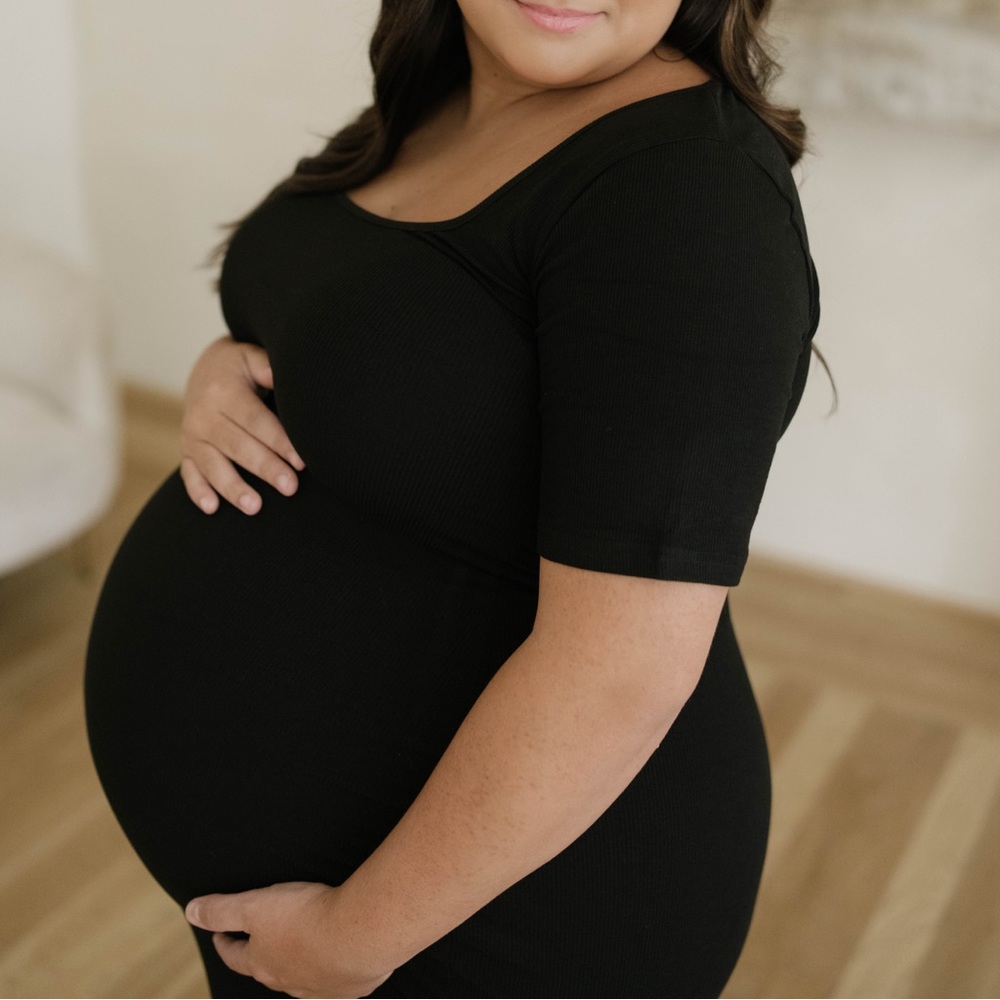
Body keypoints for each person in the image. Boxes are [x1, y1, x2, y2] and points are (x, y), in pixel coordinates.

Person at [85, 1, 820, 996]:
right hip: (312, 907)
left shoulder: (690, 194)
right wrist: (235, 366)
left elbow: (622, 671)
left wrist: (354, 937)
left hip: (500, 920)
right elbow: (386, 334)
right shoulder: (445, 92)